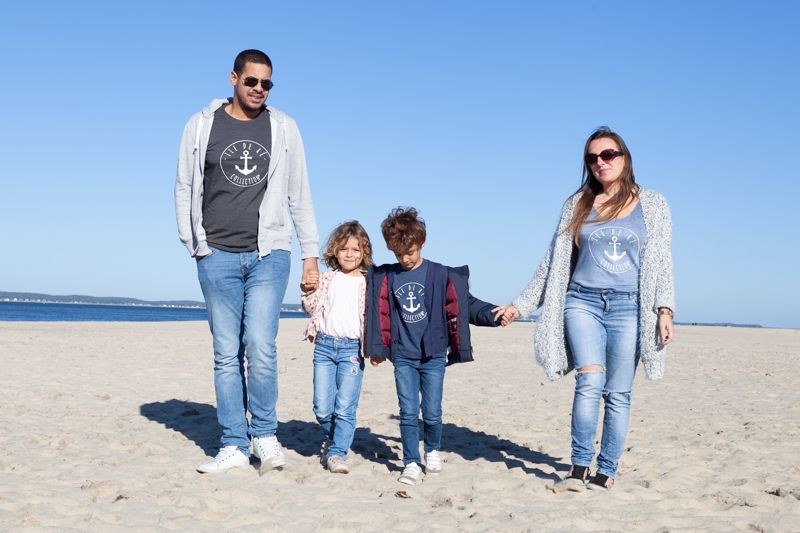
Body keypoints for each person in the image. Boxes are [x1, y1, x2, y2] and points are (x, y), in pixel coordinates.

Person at [503, 127, 675, 491]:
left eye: (608, 154)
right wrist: (520, 305)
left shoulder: (654, 204)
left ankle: (606, 469)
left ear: (624, 157)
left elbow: (662, 261)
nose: (601, 162)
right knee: (590, 381)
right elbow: (553, 261)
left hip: (630, 307)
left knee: (618, 393)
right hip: (582, 302)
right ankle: (579, 467)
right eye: (592, 158)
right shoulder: (576, 203)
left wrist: (665, 309)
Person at [175, 49, 319, 474]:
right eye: (252, 81)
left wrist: (310, 255)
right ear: (234, 78)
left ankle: (266, 436)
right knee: (225, 352)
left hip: (269, 254)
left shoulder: (285, 128)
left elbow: (301, 194)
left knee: (260, 345)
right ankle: (234, 444)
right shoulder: (201, 125)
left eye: (267, 83)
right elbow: (185, 186)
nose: (259, 89)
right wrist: (194, 244)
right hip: (215, 253)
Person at [365, 207, 509, 485]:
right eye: (398, 254)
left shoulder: (441, 275)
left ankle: (432, 449)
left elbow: (468, 305)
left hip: (433, 355)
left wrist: (495, 315)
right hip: (403, 355)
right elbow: (368, 303)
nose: (405, 259)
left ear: (422, 243)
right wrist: (378, 349)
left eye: (410, 252)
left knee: (431, 412)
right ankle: (410, 462)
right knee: (407, 412)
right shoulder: (386, 277)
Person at [301, 221, 380, 474]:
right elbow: (310, 308)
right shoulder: (327, 278)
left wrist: (378, 348)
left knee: (345, 407)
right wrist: (307, 290)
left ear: (364, 253)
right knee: (322, 407)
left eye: (356, 250)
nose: (350, 254)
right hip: (324, 346)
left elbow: (377, 319)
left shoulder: (369, 283)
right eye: (344, 249)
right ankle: (334, 437)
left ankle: (337, 453)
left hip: (352, 351)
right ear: (335, 250)